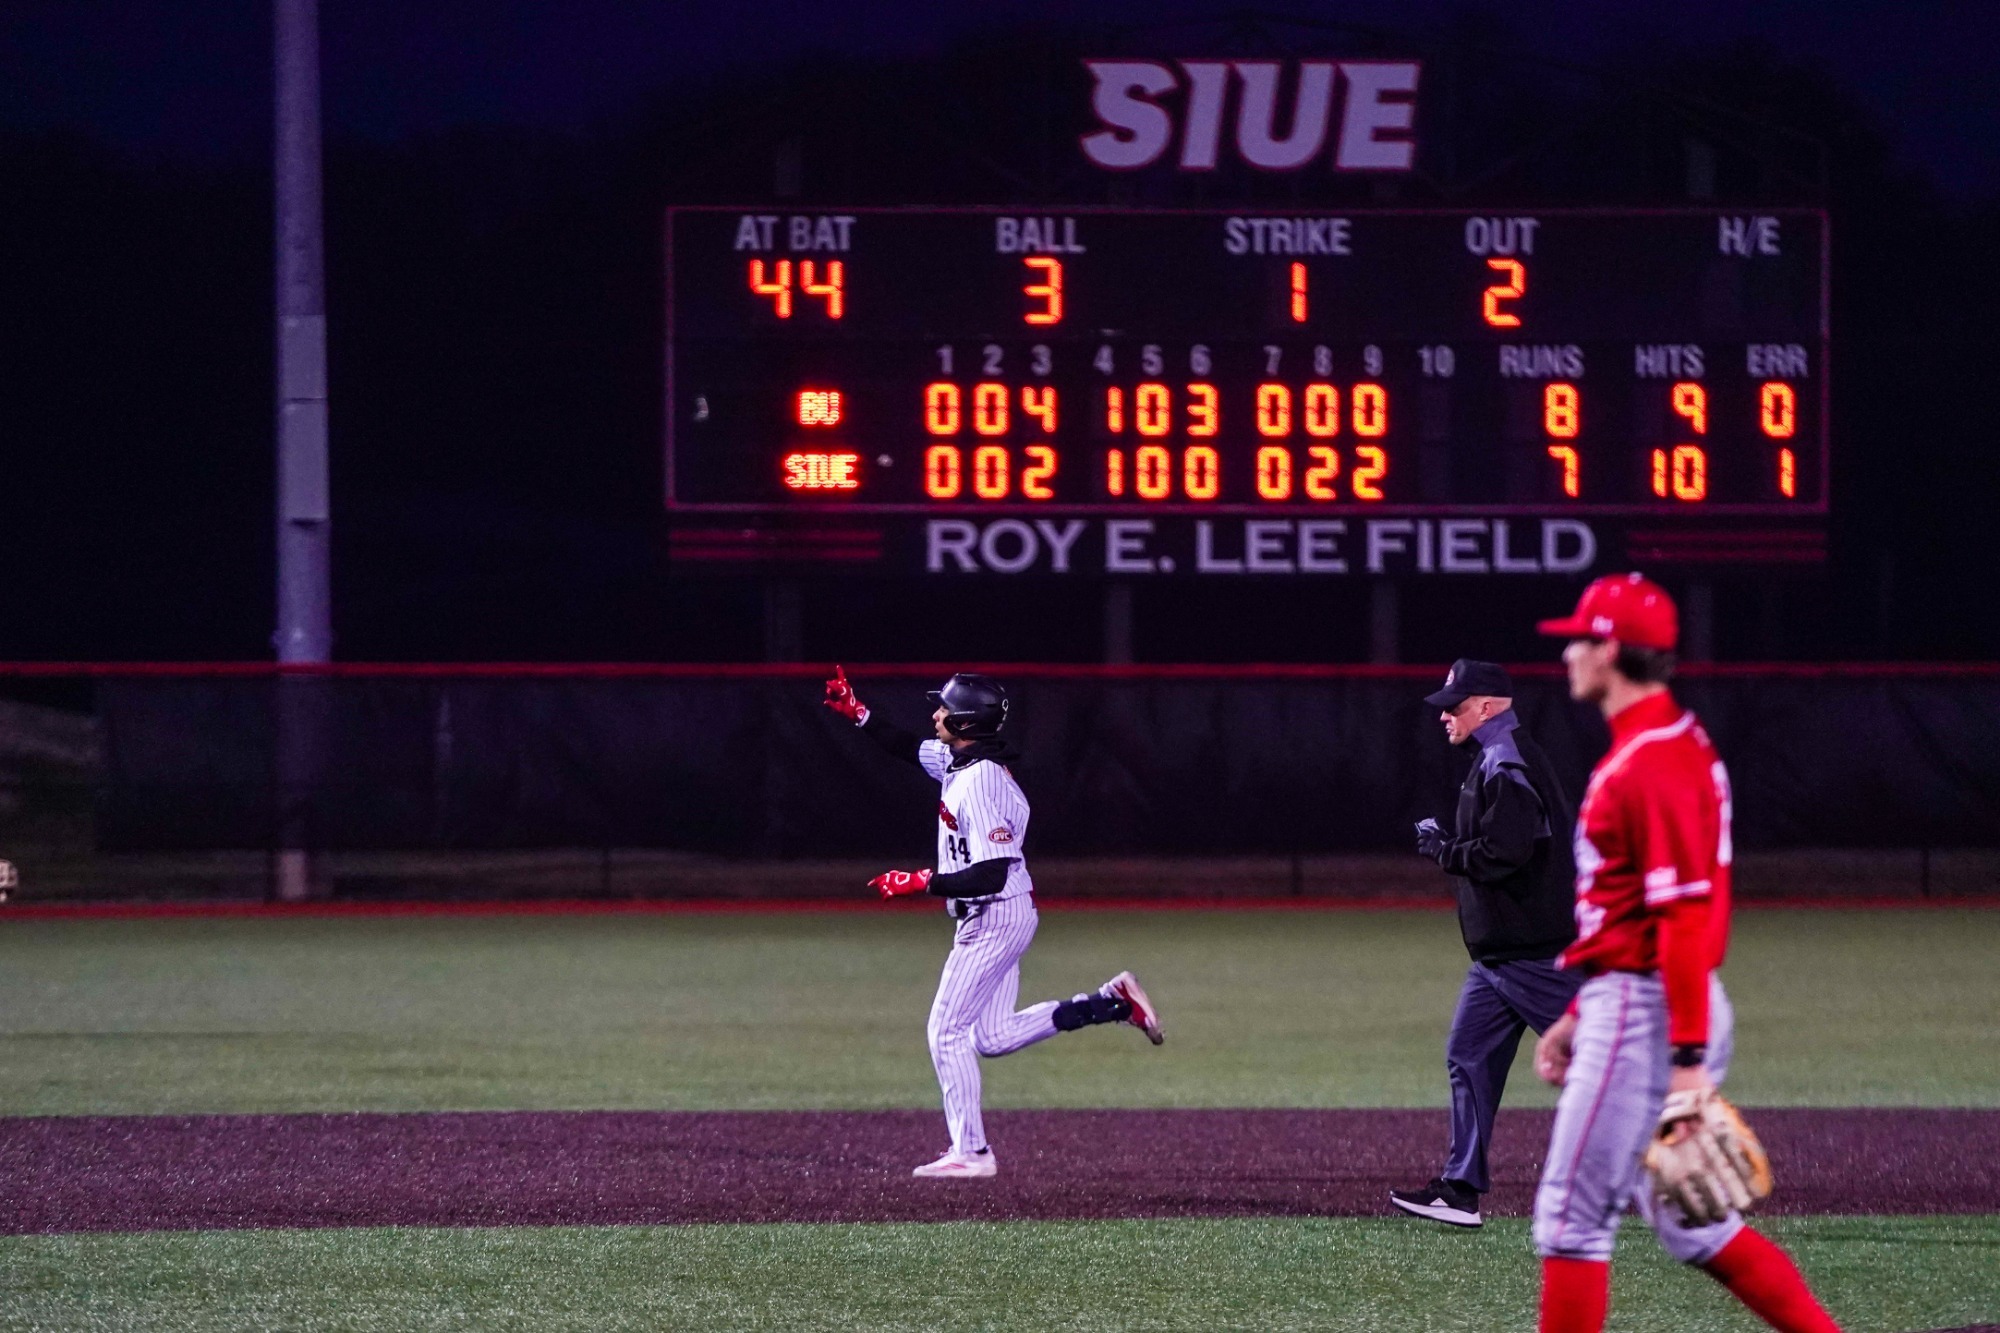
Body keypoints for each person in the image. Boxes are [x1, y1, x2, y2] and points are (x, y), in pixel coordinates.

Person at [1530, 574, 1840, 1333]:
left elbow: (1684, 919)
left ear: (1609, 650)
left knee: (1572, 1219)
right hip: (1640, 995)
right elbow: (1638, 912)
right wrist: (1576, 1009)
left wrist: (1689, 1066)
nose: (1566, 651)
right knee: (1694, 1223)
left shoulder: (1650, 761)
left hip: (1650, 1009)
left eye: (1578, 637)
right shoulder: (1667, 737)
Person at [822, 666, 1163, 1179]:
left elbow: (988, 874)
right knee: (993, 1037)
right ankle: (1110, 1004)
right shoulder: (961, 760)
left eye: (943, 708)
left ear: (963, 721)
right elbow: (901, 745)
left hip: (994, 915)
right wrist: (859, 713)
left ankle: (972, 1153)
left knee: (945, 1031)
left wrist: (919, 881)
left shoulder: (980, 782)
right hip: (1002, 912)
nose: (935, 713)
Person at [1391, 658, 1581, 1229]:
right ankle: (1459, 1191)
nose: (1444, 715)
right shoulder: (1496, 758)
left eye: (1455, 705)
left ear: (1489, 706)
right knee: (1468, 1056)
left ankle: (1690, 1148)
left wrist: (1444, 850)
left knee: (1604, 1064)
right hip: (1502, 956)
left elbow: (1507, 852)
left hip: (1531, 954)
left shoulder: (1507, 760)